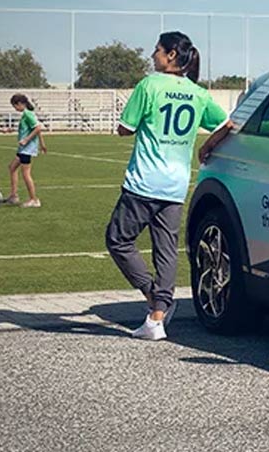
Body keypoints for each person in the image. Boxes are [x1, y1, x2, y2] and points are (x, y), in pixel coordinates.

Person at [106, 31, 235, 341]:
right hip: (176, 183)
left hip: (144, 181)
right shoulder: (197, 92)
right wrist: (206, 147)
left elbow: (125, 128)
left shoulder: (150, 84)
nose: (153, 55)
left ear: (171, 56)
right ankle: (157, 318)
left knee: (118, 240)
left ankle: (155, 300)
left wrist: (130, 123)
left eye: (157, 50)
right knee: (166, 250)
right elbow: (227, 124)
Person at [5, 93, 44, 207]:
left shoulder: (27, 114)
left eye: (15, 106)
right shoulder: (26, 114)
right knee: (12, 167)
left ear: (20, 104)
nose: (15, 109)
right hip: (23, 149)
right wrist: (42, 144)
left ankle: (34, 200)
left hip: (27, 149)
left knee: (26, 174)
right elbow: (37, 129)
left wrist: (26, 140)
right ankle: (14, 195)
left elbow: (38, 128)